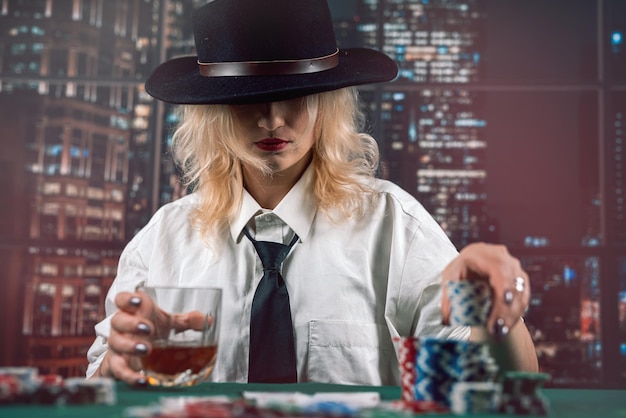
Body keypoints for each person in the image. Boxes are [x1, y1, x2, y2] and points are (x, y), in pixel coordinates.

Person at [87, 0, 538, 385]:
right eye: (247, 98)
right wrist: (117, 364)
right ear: (212, 112)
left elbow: (485, 380)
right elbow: (100, 385)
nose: (272, 119)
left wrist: (495, 308)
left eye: (297, 95)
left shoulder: (396, 227)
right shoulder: (163, 240)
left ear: (327, 103)